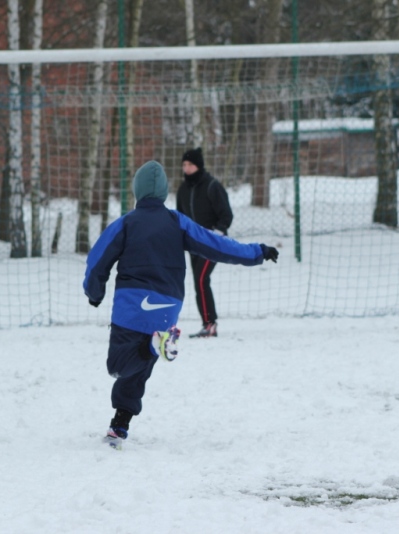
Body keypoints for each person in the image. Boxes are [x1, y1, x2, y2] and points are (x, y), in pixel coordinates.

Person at [84, 160, 279, 449]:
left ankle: (152, 348)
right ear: (164, 193)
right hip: (166, 307)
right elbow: (218, 245)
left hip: (132, 305)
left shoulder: (125, 223)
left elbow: (97, 260)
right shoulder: (178, 222)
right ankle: (119, 427)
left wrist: (94, 292)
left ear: (137, 191)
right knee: (140, 368)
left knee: (118, 365)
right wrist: (257, 252)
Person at [176, 147, 233, 338]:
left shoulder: (212, 186)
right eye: (184, 164)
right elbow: (180, 217)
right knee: (198, 282)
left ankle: (210, 324)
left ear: (198, 166)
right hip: (193, 244)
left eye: (190, 164)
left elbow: (226, 214)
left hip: (211, 243)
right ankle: (208, 324)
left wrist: (216, 233)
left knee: (201, 279)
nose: (186, 168)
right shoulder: (182, 190)